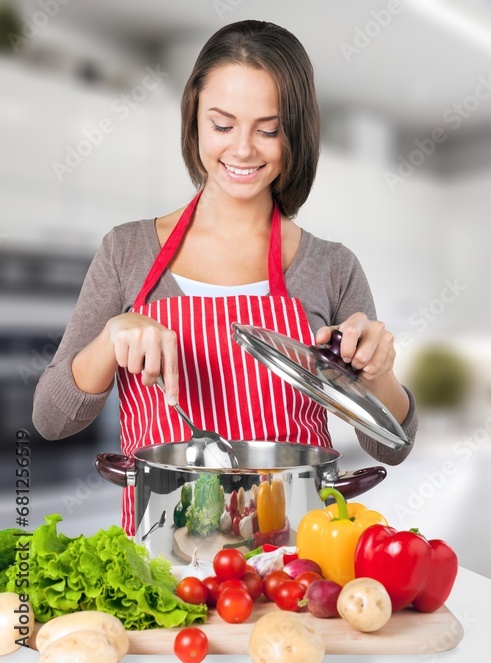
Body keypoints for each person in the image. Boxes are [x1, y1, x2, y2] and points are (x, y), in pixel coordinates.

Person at [32, 20, 418, 535]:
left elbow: (390, 446)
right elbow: (51, 419)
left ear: (296, 133)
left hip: (298, 568)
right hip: (168, 559)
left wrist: (378, 375)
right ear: (193, 119)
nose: (242, 150)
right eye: (222, 124)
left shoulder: (332, 266)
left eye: (268, 128)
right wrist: (112, 335)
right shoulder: (127, 251)